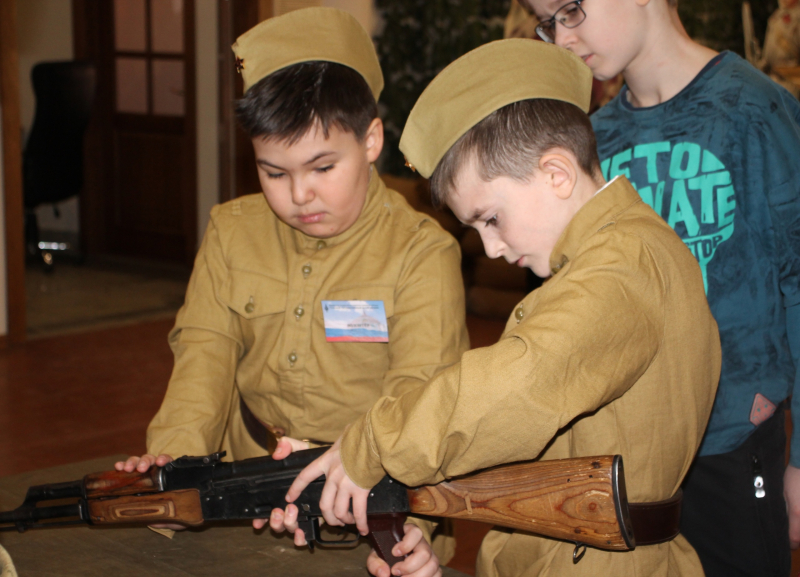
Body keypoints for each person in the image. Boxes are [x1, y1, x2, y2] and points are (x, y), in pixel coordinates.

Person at [280, 39, 721, 577]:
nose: (490, 248)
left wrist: (373, 444)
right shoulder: (616, 253)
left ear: (556, 174)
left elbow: (514, 387)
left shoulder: (621, 268)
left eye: (491, 218)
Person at [113, 6, 468, 561]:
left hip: (373, 497)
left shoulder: (421, 254)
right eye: (274, 173)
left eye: (322, 168)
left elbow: (421, 397)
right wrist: (177, 471)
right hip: (245, 485)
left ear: (371, 140)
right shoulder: (232, 232)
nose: (299, 195)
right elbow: (204, 356)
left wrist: (389, 501)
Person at [524, 0, 800, 573]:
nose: (562, 38)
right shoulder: (593, 141)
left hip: (733, 444)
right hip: (629, 459)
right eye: (547, 22)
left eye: (570, 10)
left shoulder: (756, 112)